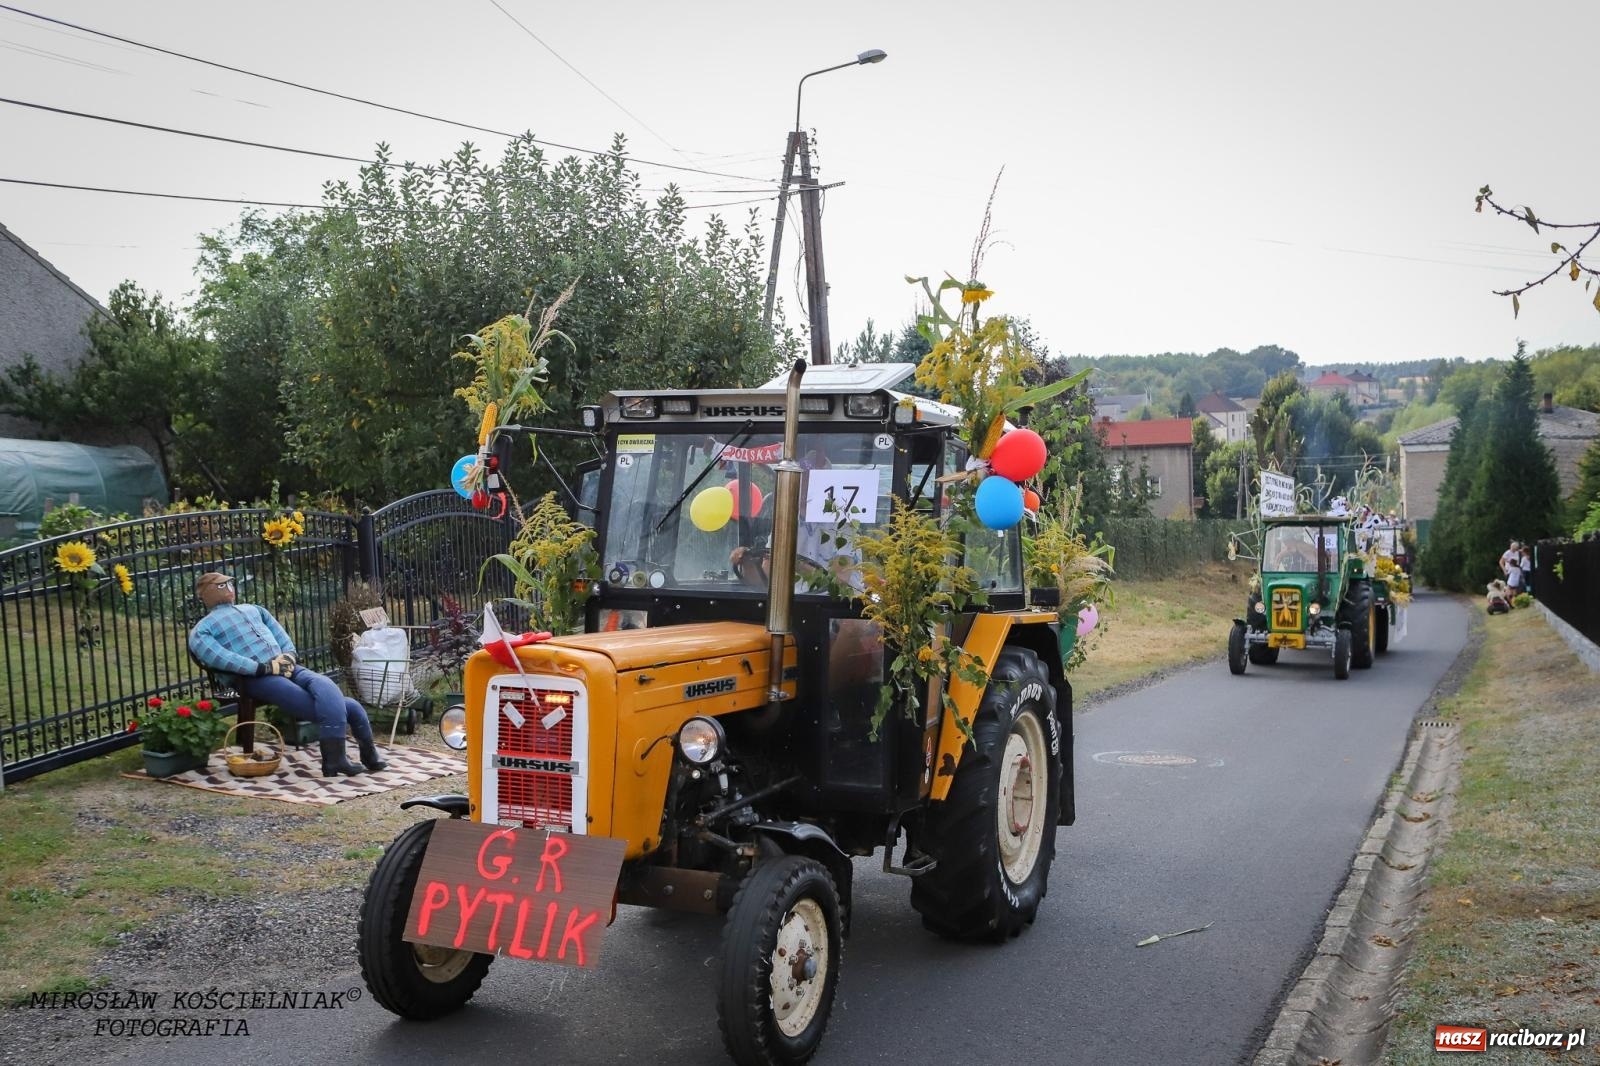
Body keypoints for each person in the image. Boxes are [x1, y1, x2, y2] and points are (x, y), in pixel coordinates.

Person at [188, 572, 387, 778]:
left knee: (324, 683)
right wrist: (261, 668)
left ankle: (363, 755)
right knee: (333, 705)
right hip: (255, 679)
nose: (230, 589)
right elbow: (219, 657)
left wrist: (289, 656)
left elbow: (281, 635)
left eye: (230, 584)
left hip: (285, 667)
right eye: (223, 586)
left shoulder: (254, 609)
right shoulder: (202, 630)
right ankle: (335, 759)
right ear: (210, 593)